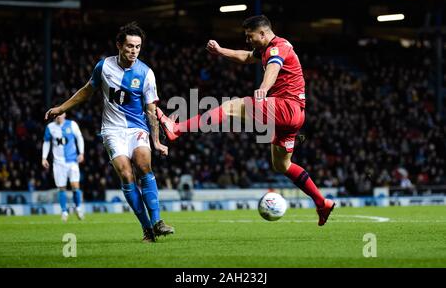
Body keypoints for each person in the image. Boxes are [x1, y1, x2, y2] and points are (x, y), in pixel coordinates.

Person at [157, 15, 335, 226]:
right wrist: (221, 51)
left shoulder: (277, 47)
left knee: (229, 107)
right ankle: (321, 202)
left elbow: (274, 67)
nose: (247, 40)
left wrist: (263, 88)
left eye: (250, 36)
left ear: (262, 33)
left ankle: (176, 128)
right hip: (294, 115)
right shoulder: (266, 49)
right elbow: (245, 57)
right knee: (282, 165)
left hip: (285, 107)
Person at [45, 22, 174, 242]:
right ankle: (147, 229)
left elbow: (151, 111)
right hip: (112, 130)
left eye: (138, 47)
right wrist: (61, 108)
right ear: (119, 45)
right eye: (130, 46)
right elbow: (87, 91)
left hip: (137, 128)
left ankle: (157, 220)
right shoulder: (103, 67)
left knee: (144, 164)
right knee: (126, 173)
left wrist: (157, 142)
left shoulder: (146, 73)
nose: (134, 51)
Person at [42, 113, 85, 222]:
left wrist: (81, 153)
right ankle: (64, 212)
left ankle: (78, 208)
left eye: (60, 113)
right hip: (58, 163)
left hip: (72, 161)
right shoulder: (50, 127)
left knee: (75, 186)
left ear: (65, 114)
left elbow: (79, 138)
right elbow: (46, 142)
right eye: (56, 114)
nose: (58, 116)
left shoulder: (72, 124)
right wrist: (44, 157)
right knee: (62, 188)